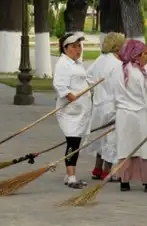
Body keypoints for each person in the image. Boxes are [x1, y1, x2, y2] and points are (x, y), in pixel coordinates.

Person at [114, 39, 147, 192]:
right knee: (146, 147)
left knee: (126, 147)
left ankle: (124, 180)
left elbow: (112, 94)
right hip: (141, 116)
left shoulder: (119, 71)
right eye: (144, 53)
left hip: (123, 116)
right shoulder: (144, 73)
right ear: (135, 55)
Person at [53, 33, 92, 189]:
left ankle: (69, 173)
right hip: (70, 110)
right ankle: (71, 177)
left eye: (79, 46)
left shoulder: (76, 63)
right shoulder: (63, 63)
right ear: (65, 48)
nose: (78, 49)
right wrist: (70, 96)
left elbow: (81, 80)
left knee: (76, 142)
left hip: (81, 109)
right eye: (74, 46)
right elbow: (59, 84)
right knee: (73, 142)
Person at [86, 32, 125, 182]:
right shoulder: (118, 65)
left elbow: (88, 76)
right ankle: (107, 171)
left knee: (100, 136)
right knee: (111, 138)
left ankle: (97, 168)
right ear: (118, 47)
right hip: (111, 105)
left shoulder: (100, 59)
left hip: (99, 104)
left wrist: (97, 90)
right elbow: (120, 87)